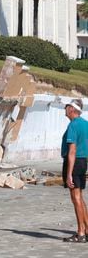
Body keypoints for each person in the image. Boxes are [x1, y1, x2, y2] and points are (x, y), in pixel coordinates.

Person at [61, 98, 88, 243]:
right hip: (83, 161)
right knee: (80, 197)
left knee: (76, 198)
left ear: (72, 109)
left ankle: (81, 233)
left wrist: (69, 174)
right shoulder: (86, 124)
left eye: (67, 107)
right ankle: (87, 229)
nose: (65, 109)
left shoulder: (73, 125)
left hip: (74, 162)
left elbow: (72, 151)